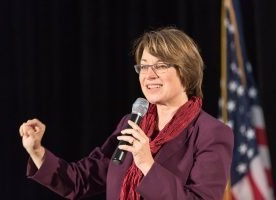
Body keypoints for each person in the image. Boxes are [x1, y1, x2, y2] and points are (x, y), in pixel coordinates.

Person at [19, 26, 234, 200]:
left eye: (160, 66)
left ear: (185, 72)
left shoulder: (211, 133)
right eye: (144, 66)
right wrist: (37, 151)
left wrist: (147, 164)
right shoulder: (132, 123)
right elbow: (81, 181)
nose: (149, 75)